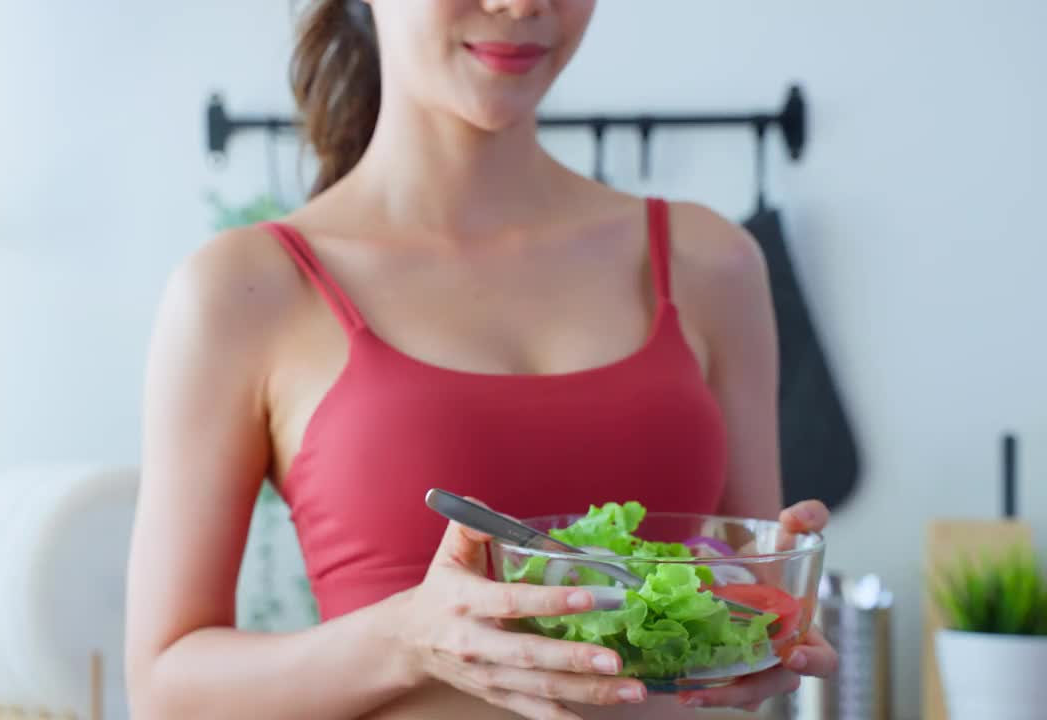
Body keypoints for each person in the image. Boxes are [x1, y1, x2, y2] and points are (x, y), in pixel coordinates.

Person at [124, 1, 837, 718]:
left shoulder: (709, 263)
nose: (523, 5)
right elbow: (163, 691)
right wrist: (405, 641)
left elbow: (750, 603)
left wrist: (772, 619)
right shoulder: (245, 290)